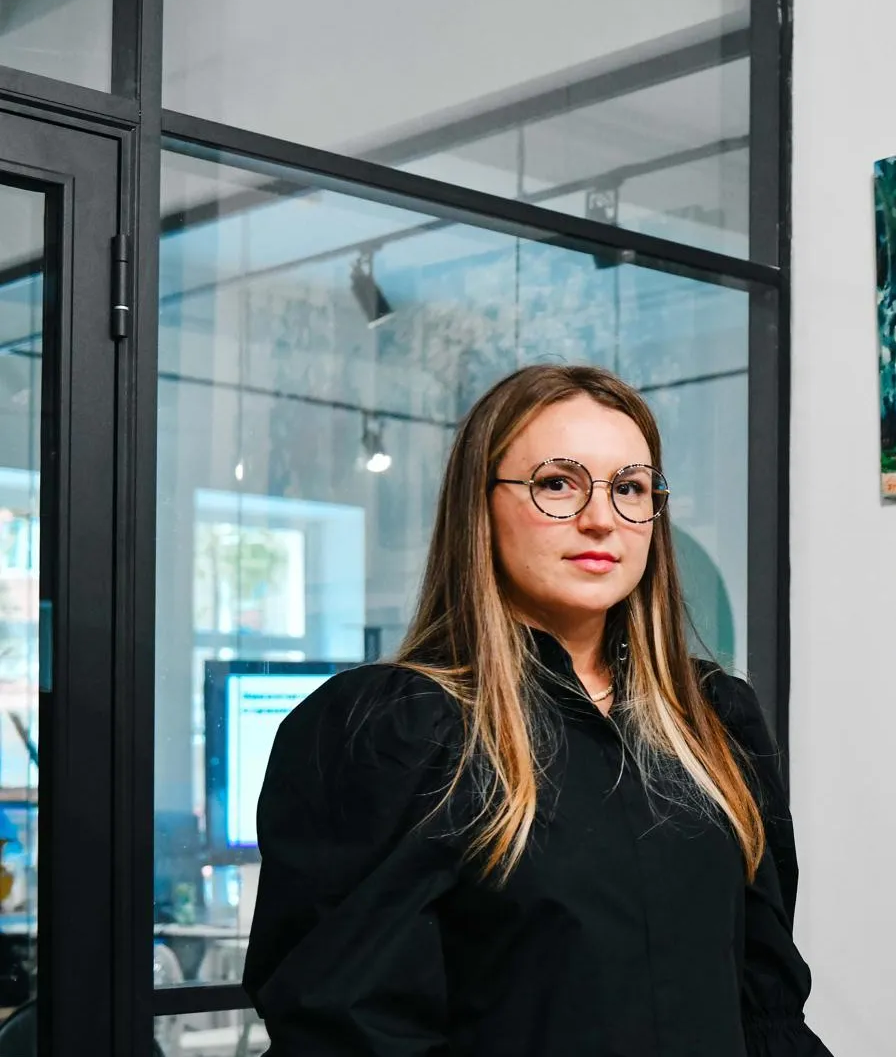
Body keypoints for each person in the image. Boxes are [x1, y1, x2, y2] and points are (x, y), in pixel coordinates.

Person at [243, 364, 830, 1056]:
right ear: (480, 505)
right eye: (558, 483)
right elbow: (347, 1035)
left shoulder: (712, 719)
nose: (601, 519)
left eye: (630, 489)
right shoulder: (394, 730)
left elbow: (765, 1007)